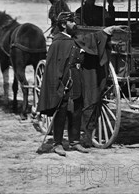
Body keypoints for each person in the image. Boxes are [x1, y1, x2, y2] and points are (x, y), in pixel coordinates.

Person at [37, 12, 124, 156]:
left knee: (76, 110)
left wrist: (106, 31)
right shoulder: (57, 43)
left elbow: (90, 40)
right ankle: (57, 144)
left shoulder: (75, 40)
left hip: (76, 79)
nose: (75, 24)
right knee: (61, 112)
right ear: (64, 25)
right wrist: (57, 86)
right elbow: (52, 69)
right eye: (71, 21)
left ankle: (74, 141)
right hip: (62, 83)